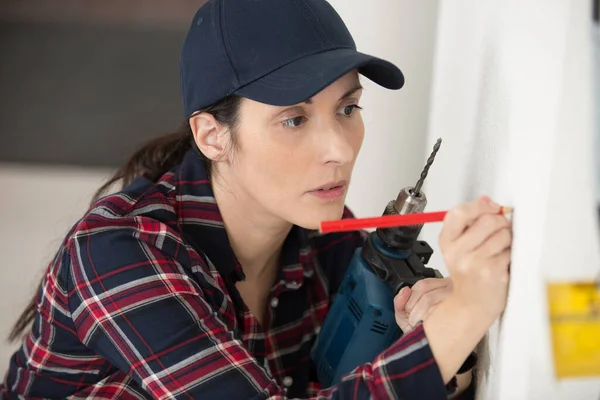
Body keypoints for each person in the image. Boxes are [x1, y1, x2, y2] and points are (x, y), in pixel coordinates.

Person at [0, 0, 512, 399]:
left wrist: (441, 348)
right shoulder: (121, 254)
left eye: (348, 107)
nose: (339, 149)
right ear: (213, 136)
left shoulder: (328, 244)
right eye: (294, 119)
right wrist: (465, 315)